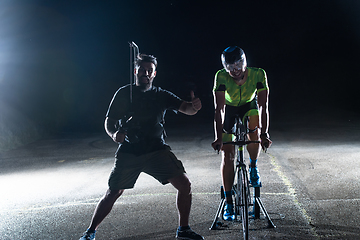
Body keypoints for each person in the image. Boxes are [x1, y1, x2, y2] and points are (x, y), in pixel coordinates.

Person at [79, 54, 204, 240]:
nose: (146, 73)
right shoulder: (124, 93)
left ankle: (183, 230)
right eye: (142, 69)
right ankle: (90, 232)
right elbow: (109, 121)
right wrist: (114, 134)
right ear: (135, 71)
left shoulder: (161, 94)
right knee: (113, 192)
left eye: (149, 70)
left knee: (185, 185)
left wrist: (195, 107)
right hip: (130, 151)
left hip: (157, 150)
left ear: (154, 73)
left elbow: (187, 109)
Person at [211, 46, 272, 221]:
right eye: (231, 68)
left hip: (248, 105)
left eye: (239, 66)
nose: (236, 71)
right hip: (229, 110)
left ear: (245, 62)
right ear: (225, 67)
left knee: (254, 125)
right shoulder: (220, 76)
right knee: (227, 156)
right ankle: (229, 202)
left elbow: (263, 106)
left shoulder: (258, 74)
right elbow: (219, 108)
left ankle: (253, 166)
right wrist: (218, 137)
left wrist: (264, 133)